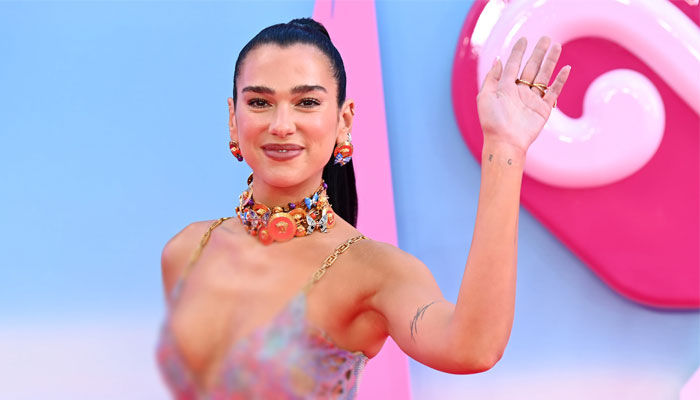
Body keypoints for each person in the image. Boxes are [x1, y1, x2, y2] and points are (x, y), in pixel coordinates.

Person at [155, 17, 571, 399]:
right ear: (233, 118)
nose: (281, 125)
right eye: (260, 103)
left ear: (344, 120)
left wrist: (504, 147)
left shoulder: (374, 272)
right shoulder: (187, 249)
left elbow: (471, 347)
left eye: (306, 102)